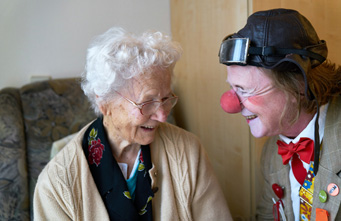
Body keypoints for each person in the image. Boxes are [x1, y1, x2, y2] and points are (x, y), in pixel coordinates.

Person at [33, 27, 232, 220]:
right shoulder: (56, 184)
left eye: (166, 99)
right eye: (147, 102)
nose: (162, 116)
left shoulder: (188, 152)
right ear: (104, 102)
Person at [218, 8, 341, 220]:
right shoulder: (271, 154)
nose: (232, 104)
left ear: (298, 87)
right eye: (233, 88)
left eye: (244, 89)